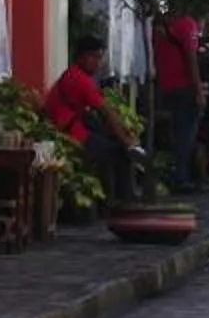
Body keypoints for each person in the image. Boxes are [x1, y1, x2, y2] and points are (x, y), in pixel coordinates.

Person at [43, 35, 139, 205]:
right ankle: (123, 201)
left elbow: (106, 113)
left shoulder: (75, 74)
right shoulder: (79, 79)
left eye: (99, 57)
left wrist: (122, 133)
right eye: (94, 57)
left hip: (70, 127)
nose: (97, 62)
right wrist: (127, 141)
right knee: (119, 152)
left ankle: (115, 199)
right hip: (68, 133)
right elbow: (106, 112)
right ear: (82, 56)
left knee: (112, 142)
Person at [150, 3, 203, 195]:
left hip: (166, 86)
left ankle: (179, 174)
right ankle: (181, 177)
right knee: (186, 134)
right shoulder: (187, 25)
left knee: (176, 132)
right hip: (184, 86)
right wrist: (198, 90)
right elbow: (191, 59)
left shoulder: (159, 28)